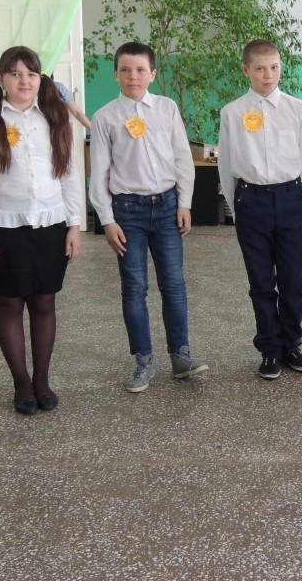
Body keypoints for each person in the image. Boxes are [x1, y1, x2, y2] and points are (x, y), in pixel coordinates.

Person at [0, 46, 82, 415]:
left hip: (51, 223)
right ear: (1, 79)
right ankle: (21, 382)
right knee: (10, 303)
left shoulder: (55, 118)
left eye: (31, 74)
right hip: (5, 227)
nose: (24, 81)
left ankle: (42, 380)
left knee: (44, 302)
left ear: (40, 79)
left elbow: (69, 174)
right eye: (15, 74)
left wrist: (75, 224)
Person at [89, 41, 206, 392]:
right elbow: (99, 173)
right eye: (125, 70)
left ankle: (181, 356)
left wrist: (185, 203)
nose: (133, 76)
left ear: (152, 74)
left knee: (174, 284)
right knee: (134, 287)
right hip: (128, 213)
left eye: (140, 70)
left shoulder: (167, 109)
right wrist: (107, 220)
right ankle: (143, 361)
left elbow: (182, 158)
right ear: (116, 74)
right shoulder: (105, 117)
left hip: (167, 207)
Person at [218, 39, 302, 379]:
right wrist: (237, 207)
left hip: (289, 198)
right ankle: (270, 349)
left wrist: (295, 195)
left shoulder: (298, 109)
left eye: (273, 67)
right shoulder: (232, 112)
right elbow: (226, 163)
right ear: (246, 70)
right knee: (260, 281)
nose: (268, 74)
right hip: (251, 200)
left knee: (294, 280)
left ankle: (291, 344)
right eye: (259, 68)